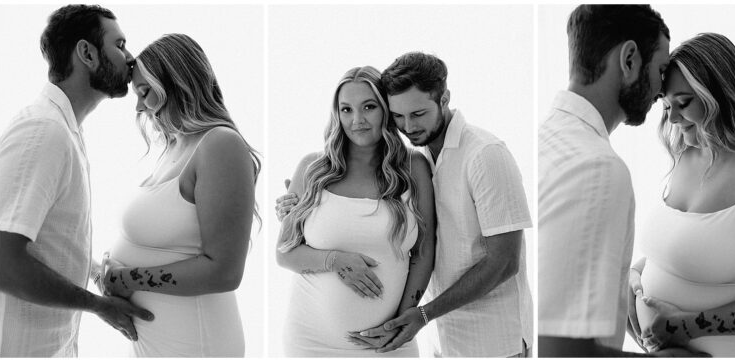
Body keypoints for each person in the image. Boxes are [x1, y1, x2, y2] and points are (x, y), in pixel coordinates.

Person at [277, 52, 534, 357]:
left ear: (444, 99)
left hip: (486, 341)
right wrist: (326, 245)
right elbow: (287, 250)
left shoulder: (475, 156)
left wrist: (416, 316)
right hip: (331, 341)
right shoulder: (418, 158)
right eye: (399, 116)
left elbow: (496, 261)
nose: (409, 127)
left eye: (418, 114)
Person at [537, 5, 704, 357]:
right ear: (629, 60)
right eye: (660, 70)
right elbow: (567, 352)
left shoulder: (549, 137)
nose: (662, 92)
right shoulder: (597, 168)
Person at [0, 5, 152, 357]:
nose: (130, 59)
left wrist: (95, 271)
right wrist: (99, 306)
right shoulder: (44, 131)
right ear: (87, 53)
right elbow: (7, 263)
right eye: (121, 44)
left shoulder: (65, 130)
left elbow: (49, 238)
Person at [97, 33, 260, 358]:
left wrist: (129, 277)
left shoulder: (220, 145)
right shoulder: (174, 145)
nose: (140, 106)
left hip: (195, 341)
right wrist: (103, 272)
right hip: (159, 337)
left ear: (178, 82)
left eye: (145, 92)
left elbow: (225, 271)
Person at [628, 32, 735, 357]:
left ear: (722, 94)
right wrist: (635, 275)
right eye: (667, 106)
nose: (673, 118)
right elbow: (687, 248)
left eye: (683, 103)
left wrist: (686, 325)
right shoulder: (684, 153)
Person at [275, 66, 435, 357]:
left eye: (369, 107)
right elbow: (284, 253)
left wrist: (402, 321)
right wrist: (336, 261)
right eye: (346, 109)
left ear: (385, 110)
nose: (357, 120)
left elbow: (424, 252)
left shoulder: (414, 168)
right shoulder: (312, 169)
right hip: (311, 343)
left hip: (389, 343)